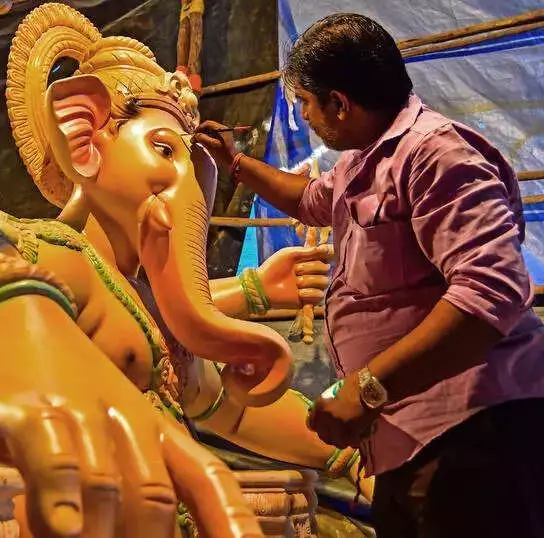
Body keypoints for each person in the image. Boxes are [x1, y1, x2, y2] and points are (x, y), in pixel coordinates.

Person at [196, 12, 544, 538]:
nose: (303, 117)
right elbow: (310, 199)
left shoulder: (437, 154)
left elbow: (491, 290)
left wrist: (368, 388)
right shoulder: (364, 161)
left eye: (306, 104)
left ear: (340, 103)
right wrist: (236, 164)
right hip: (405, 439)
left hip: (474, 436)